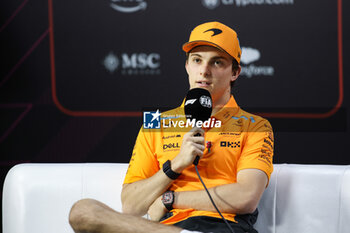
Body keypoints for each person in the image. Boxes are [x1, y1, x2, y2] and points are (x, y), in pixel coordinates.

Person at [69, 21, 274, 233]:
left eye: (217, 63)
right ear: (187, 66)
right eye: (197, 60)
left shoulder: (256, 126)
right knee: (83, 211)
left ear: (235, 72)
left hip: (222, 228)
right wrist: (175, 165)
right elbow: (131, 206)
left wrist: (171, 199)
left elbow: (246, 197)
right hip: (167, 228)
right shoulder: (157, 124)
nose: (204, 71)